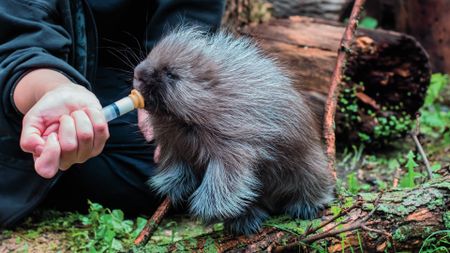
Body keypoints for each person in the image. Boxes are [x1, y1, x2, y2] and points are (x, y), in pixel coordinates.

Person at [0, 0, 225, 228]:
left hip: (129, 84)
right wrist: (55, 90)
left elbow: (190, 20)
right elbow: (17, 41)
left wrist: (171, 98)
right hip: (37, 80)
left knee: (184, 154)